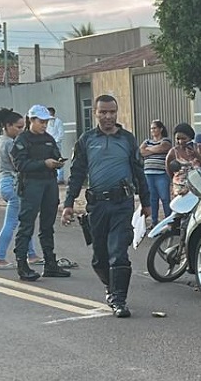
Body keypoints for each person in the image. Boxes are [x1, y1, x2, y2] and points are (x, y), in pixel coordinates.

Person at [61, 94, 150, 318]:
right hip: (97, 206)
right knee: (99, 257)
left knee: (119, 252)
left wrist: (147, 203)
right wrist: (69, 203)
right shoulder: (86, 140)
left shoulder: (127, 139)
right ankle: (111, 288)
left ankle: (120, 299)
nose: (108, 116)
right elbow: (77, 173)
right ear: (95, 113)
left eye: (112, 112)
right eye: (103, 112)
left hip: (123, 204)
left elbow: (139, 172)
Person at [12, 105, 70, 281]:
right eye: (41, 122)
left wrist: (58, 162)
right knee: (26, 225)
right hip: (31, 185)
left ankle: (50, 263)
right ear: (32, 120)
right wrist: (43, 164)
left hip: (49, 184)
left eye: (46, 122)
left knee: (47, 226)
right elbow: (20, 165)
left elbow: (55, 153)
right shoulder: (22, 140)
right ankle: (22, 264)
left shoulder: (49, 139)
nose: (44, 125)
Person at [0, 108, 39, 270]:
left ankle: (31, 254)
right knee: (12, 223)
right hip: (12, 184)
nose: (21, 130)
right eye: (18, 127)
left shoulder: (1, 141)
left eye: (22, 127)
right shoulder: (10, 144)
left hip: (4, 183)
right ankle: (0, 258)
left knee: (24, 221)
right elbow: (18, 165)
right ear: (8, 125)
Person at [141, 120, 173, 222]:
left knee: (165, 198)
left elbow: (163, 148)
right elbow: (141, 152)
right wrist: (153, 149)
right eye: (151, 128)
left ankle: (169, 221)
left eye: (154, 128)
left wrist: (149, 149)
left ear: (161, 129)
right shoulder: (146, 141)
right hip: (148, 174)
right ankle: (154, 222)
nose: (152, 130)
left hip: (161, 174)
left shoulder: (166, 140)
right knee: (152, 199)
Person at [46, 106, 66, 184]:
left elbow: (61, 133)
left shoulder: (58, 121)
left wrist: (56, 142)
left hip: (56, 143)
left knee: (58, 159)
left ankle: (60, 178)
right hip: (48, 143)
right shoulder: (46, 122)